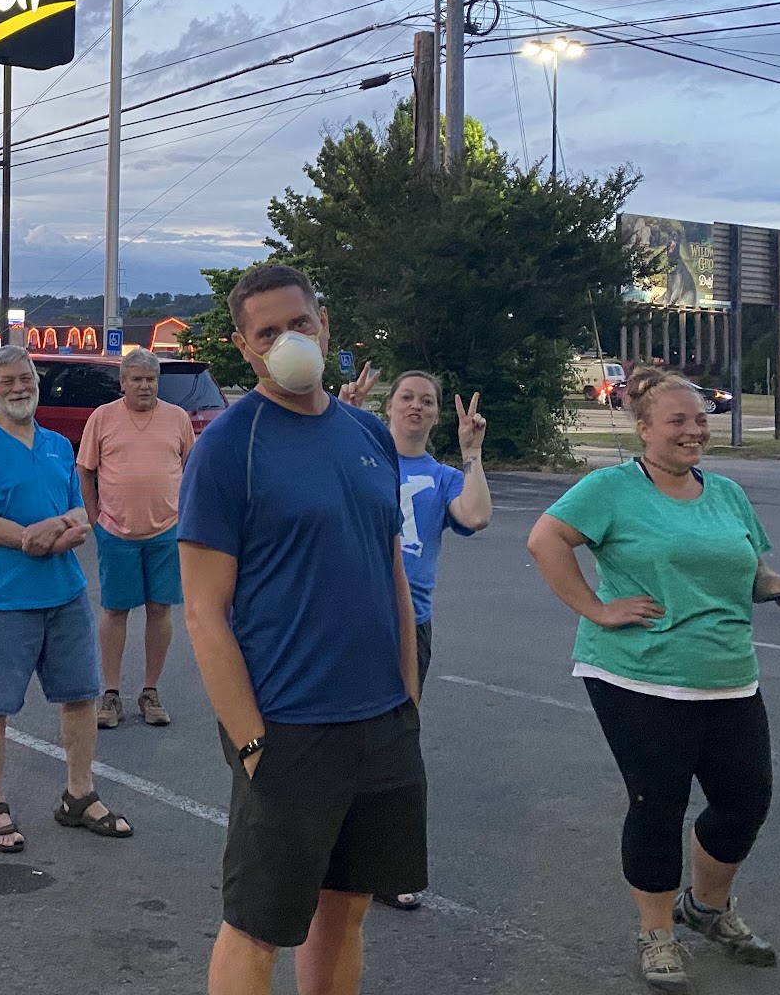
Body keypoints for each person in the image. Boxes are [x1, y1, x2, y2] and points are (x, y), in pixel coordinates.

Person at [527, 366, 780, 991]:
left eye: (700, 419)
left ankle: (707, 909)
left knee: (745, 801)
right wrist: (597, 608)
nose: (695, 430)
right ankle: (656, 933)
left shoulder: (725, 494)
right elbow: (545, 540)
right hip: (638, 676)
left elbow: (749, 573)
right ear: (644, 429)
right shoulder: (610, 488)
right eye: (678, 421)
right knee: (657, 805)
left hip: (729, 672)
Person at [178, 263, 423, 995]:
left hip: (380, 723)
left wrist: (407, 699)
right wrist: (253, 744)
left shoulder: (369, 433)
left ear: (324, 325)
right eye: (267, 333)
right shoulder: (229, 447)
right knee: (259, 927)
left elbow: (391, 572)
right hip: (287, 727)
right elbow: (204, 611)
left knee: (346, 907)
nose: (288, 341)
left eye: (300, 323)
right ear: (243, 347)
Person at [0, 344, 130, 856]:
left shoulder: (56, 445)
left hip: (65, 594)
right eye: (7, 381)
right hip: (5, 598)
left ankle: (79, 794)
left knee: (80, 696)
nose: (18, 387)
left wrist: (51, 532)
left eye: (25, 378)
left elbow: (80, 512)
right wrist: (32, 537)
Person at [375, 370, 492, 911]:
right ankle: (336, 852)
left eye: (426, 401)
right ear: (389, 406)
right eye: (406, 397)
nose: (415, 406)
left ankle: (389, 865)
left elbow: (476, 515)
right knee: (336, 736)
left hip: (408, 623)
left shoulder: (443, 477)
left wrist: (472, 455)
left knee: (398, 740)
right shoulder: (364, 460)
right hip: (349, 616)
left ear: (438, 414)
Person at [77, 347, 195, 732]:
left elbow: (192, 470)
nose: (145, 386)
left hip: (167, 531)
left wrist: (187, 520)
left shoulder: (177, 418)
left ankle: (150, 691)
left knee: (160, 609)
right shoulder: (103, 417)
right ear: (123, 382)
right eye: (137, 379)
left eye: (151, 379)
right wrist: (95, 519)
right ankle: (110, 694)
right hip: (116, 531)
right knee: (115, 611)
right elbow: (85, 470)